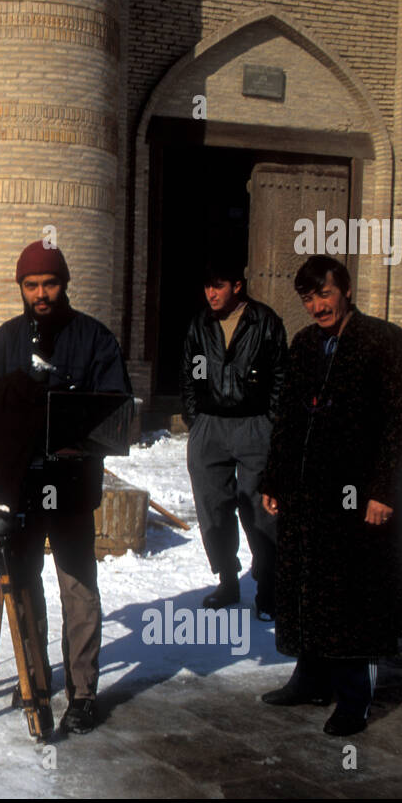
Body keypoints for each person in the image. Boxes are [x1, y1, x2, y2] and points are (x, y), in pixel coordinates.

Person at [259, 255, 402, 736]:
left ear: (346, 290)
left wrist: (384, 490)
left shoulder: (384, 341)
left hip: (358, 498)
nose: (317, 306)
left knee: (352, 596)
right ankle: (310, 679)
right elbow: (289, 419)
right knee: (308, 588)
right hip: (308, 496)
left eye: (324, 294)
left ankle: (354, 697)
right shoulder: (306, 344)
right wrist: (274, 478)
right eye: (308, 298)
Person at [0, 240, 133, 734]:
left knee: (78, 586)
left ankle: (83, 691)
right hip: (19, 485)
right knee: (23, 585)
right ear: (20, 288)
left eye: (49, 283)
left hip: (70, 484)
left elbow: (116, 411)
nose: (41, 293)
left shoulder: (95, 339)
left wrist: (75, 437)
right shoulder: (5, 341)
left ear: (64, 284)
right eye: (31, 285)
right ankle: (35, 680)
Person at [180, 256, 286, 616]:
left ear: (237, 286)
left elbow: (279, 376)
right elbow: (191, 373)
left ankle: (269, 587)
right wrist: (195, 419)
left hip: (254, 424)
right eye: (207, 286)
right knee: (213, 507)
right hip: (210, 425)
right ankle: (226, 579)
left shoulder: (265, 321)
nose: (211, 293)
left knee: (260, 508)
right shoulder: (200, 324)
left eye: (218, 286)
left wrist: (271, 420)